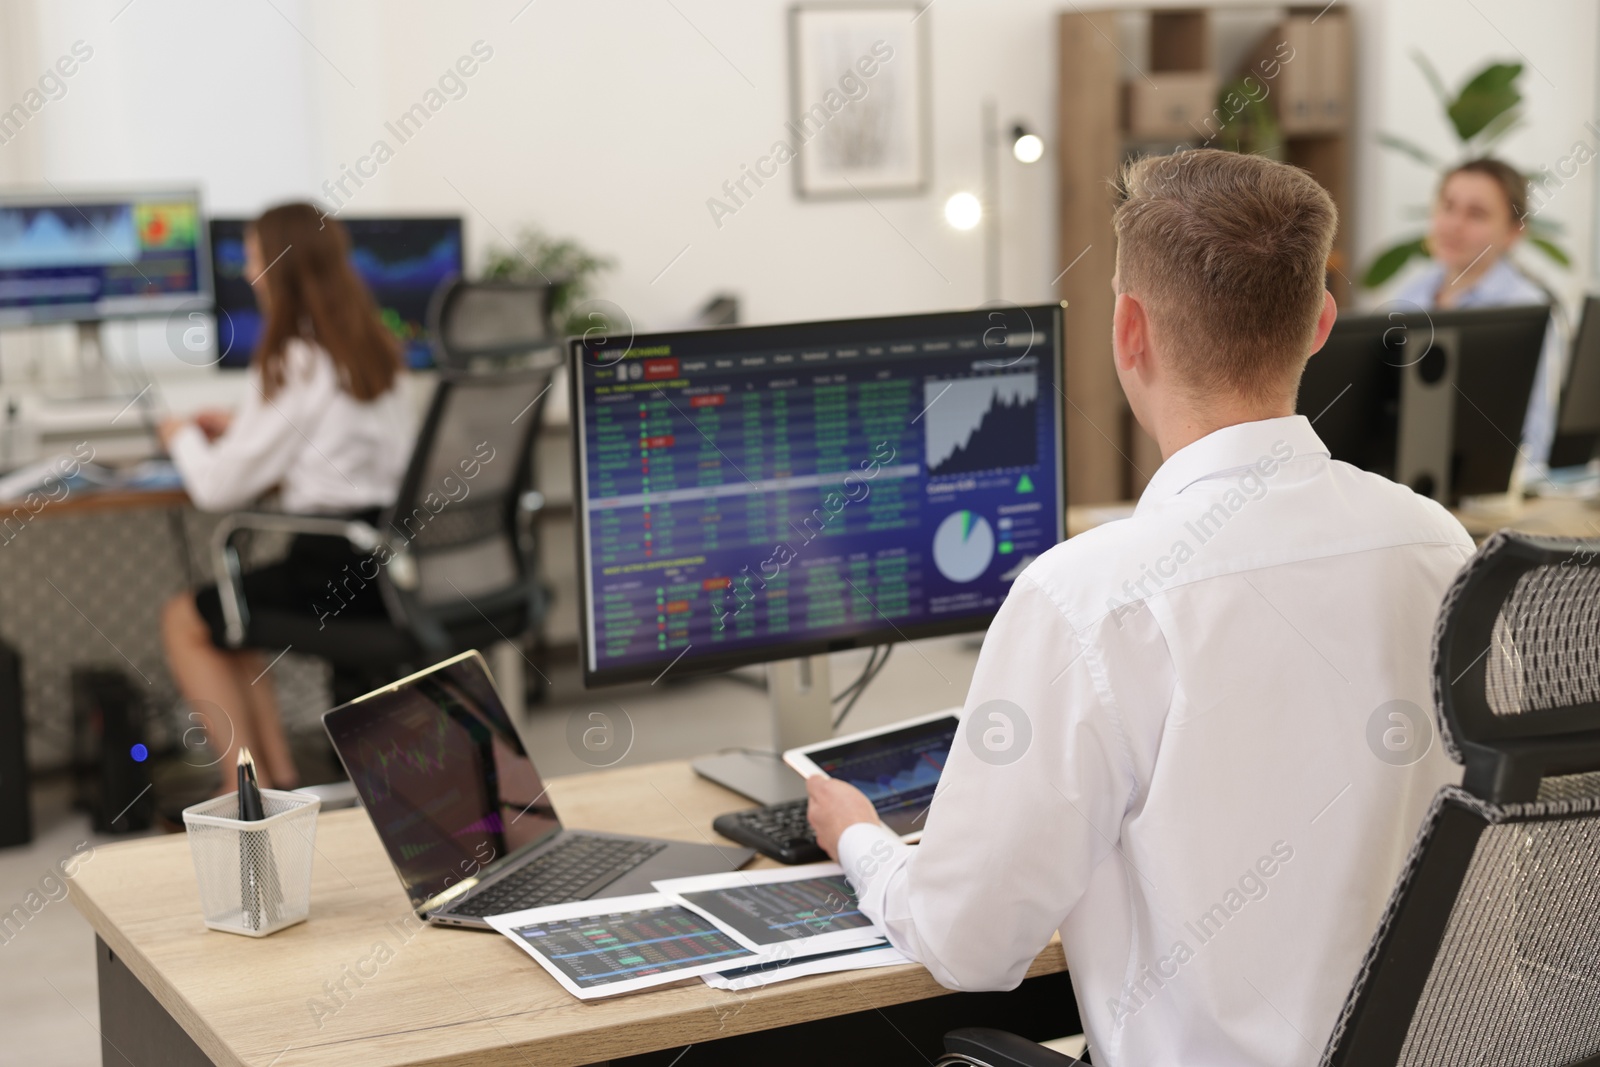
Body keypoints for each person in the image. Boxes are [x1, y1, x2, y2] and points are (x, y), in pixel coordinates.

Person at [807, 150, 1476, 1066]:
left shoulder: (1088, 596)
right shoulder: (1438, 544)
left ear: (1129, 330)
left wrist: (862, 842)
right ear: (1321, 323)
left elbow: (968, 941)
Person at [159, 203, 415, 790]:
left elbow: (215, 488)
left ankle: (242, 793)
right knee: (234, 615)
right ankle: (277, 780)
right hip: (389, 569)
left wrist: (180, 438)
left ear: (281, 269)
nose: (250, 273)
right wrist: (244, 425)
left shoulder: (294, 357)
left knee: (186, 619)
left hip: (331, 572)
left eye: (253, 258)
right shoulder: (376, 350)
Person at [1393, 157, 1564, 473]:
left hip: (1489, 489)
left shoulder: (1525, 311)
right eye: (1448, 206)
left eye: (1477, 214)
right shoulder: (1410, 296)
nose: (1454, 224)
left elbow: (1535, 440)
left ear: (1514, 232)